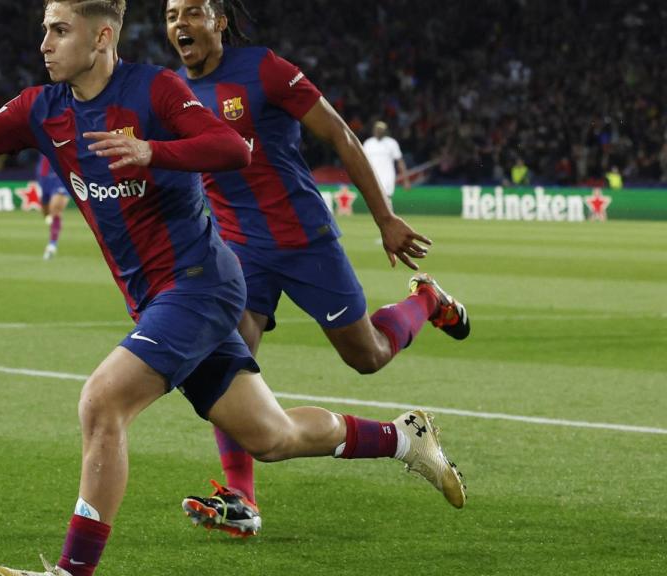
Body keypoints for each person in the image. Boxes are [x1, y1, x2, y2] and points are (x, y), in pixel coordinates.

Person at [0, 2, 465, 575]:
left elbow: (231, 147)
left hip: (201, 284)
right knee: (271, 436)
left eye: (59, 30)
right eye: (44, 29)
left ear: (102, 36)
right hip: (160, 296)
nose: (44, 44)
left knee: (101, 402)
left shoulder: (155, 90)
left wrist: (152, 150)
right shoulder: (42, 109)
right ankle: (402, 440)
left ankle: (73, 570)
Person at [164, 0, 470, 537]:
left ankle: (427, 300)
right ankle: (241, 498)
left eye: (193, 12)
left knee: (367, 356)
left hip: (306, 240)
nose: (180, 24)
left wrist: (385, 218)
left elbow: (341, 137)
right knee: (228, 360)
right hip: (238, 252)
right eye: (171, 15)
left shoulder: (265, 70)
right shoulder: (169, 91)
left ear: (220, 21)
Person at [363, 121, 410, 210]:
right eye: (378, 129)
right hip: (373, 176)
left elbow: (400, 162)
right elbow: (363, 162)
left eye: (381, 129)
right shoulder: (368, 143)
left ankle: (389, 218)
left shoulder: (391, 143)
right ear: (374, 130)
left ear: (385, 131)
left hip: (387, 175)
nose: (379, 131)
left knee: (386, 198)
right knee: (375, 200)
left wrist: (406, 180)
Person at [36, 155, 71, 259]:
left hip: (61, 175)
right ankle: (52, 222)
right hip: (44, 175)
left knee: (55, 209)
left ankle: (52, 244)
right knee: (46, 209)